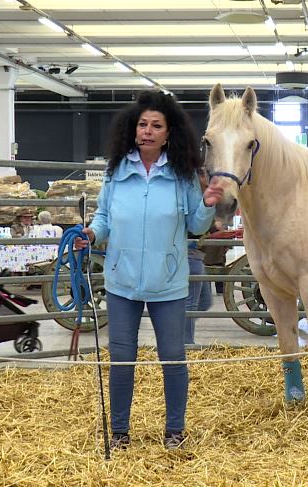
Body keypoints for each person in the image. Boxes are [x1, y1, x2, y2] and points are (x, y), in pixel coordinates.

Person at [74, 90, 223, 450]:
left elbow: (198, 225)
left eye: (157, 125)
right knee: (122, 359)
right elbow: (105, 216)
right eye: (143, 124)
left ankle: (175, 430)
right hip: (121, 281)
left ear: (169, 133)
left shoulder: (183, 175)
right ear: (134, 129)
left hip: (168, 283)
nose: (148, 131)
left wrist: (206, 204)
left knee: (173, 357)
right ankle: (120, 432)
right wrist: (92, 234)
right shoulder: (115, 171)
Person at [185, 170, 214, 345]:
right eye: (203, 174)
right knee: (190, 305)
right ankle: (187, 345)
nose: (208, 179)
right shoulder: (191, 197)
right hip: (189, 252)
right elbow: (195, 227)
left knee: (205, 301)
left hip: (197, 254)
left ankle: (177, 330)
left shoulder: (205, 197)